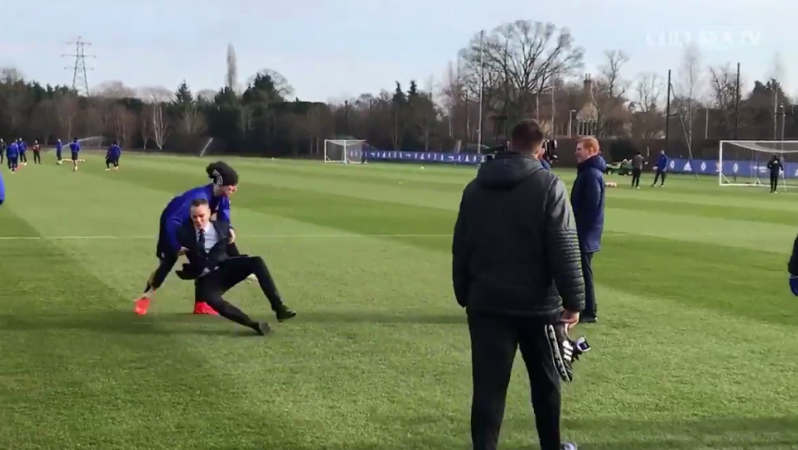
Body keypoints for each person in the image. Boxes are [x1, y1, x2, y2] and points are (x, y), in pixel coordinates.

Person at [452, 119, 585, 450]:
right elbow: (564, 246)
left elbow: (461, 245)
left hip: (487, 302)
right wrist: (574, 301)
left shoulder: (475, 187)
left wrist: (464, 292)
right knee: (546, 384)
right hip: (538, 305)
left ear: (509, 144)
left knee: (488, 388)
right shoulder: (548, 185)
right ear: (540, 149)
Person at [134, 162, 246, 316]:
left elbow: (224, 218)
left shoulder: (223, 197)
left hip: (195, 227)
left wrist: (229, 229)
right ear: (221, 183)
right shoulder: (197, 197)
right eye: (232, 185)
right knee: (166, 265)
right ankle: (145, 297)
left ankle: (201, 304)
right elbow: (172, 220)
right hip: (174, 227)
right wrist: (175, 246)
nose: (235, 189)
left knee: (204, 263)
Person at [174, 198, 296, 334]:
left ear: (209, 213)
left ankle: (279, 308)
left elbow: (232, 251)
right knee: (212, 299)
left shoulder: (223, 228)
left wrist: (247, 270)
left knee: (256, 261)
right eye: (194, 217)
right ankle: (254, 325)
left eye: (201, 216)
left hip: (226, 268)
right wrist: (175, 251)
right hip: (207, 278)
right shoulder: (183, 234)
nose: (198, 220)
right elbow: (168, 251)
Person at [571, 136, 606, 324]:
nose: (576, 152)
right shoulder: (589, 172)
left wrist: (576, 229)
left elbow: (590, 206)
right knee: (581, 271)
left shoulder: (591, 174)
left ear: (591, 150)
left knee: (584, 272)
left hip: (585, 233)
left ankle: (589, 310)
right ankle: (584, 308)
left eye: (579, 149)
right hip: (585, 232)